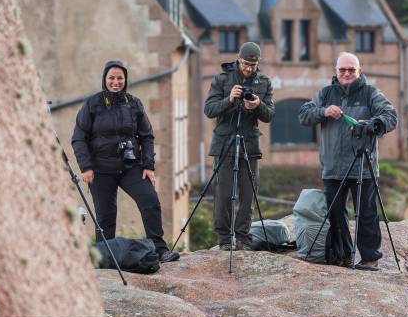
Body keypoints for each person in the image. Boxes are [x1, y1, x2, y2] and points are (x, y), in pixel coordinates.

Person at [71, 60, 180, 263]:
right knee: (105, 217)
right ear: (105, 79)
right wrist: (86, 168)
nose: (116, 82)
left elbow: (146, 136)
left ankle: (159, 249)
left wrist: (148, 166)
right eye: (111, 78)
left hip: (130, 167)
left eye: (120, 78)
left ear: (125, 80)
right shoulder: (92, 104)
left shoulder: (134, 103)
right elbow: (78, 138)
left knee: (150, 201)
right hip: (101, 170)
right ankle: (106, 257)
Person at [298, 52, 397, 271]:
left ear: (359, 71)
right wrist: (324, 111)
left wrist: (374, 123)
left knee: (367, 214)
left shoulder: (371, 93)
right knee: (335, 214)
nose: (347, 73)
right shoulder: (326, 93)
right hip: (333, 166)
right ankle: (342, 256)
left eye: (351, 69)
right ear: (336, 71)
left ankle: (370, 258)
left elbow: (390, 115)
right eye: (342, 69)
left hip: (363, 165)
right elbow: (304, 115)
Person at [204, 42, 275, 251]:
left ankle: (242, 237)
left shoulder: (264, 82)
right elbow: (209, 109)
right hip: (225, 142)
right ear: (238, 59)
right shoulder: (223, 78)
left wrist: (257, 105)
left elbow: (269, 114)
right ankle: (225, 239)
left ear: (257, 64)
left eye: (253, 65)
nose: (248, 69)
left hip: (249, 143)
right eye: (245, 64)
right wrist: (229, 99)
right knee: (224, 193)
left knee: (248, 192)